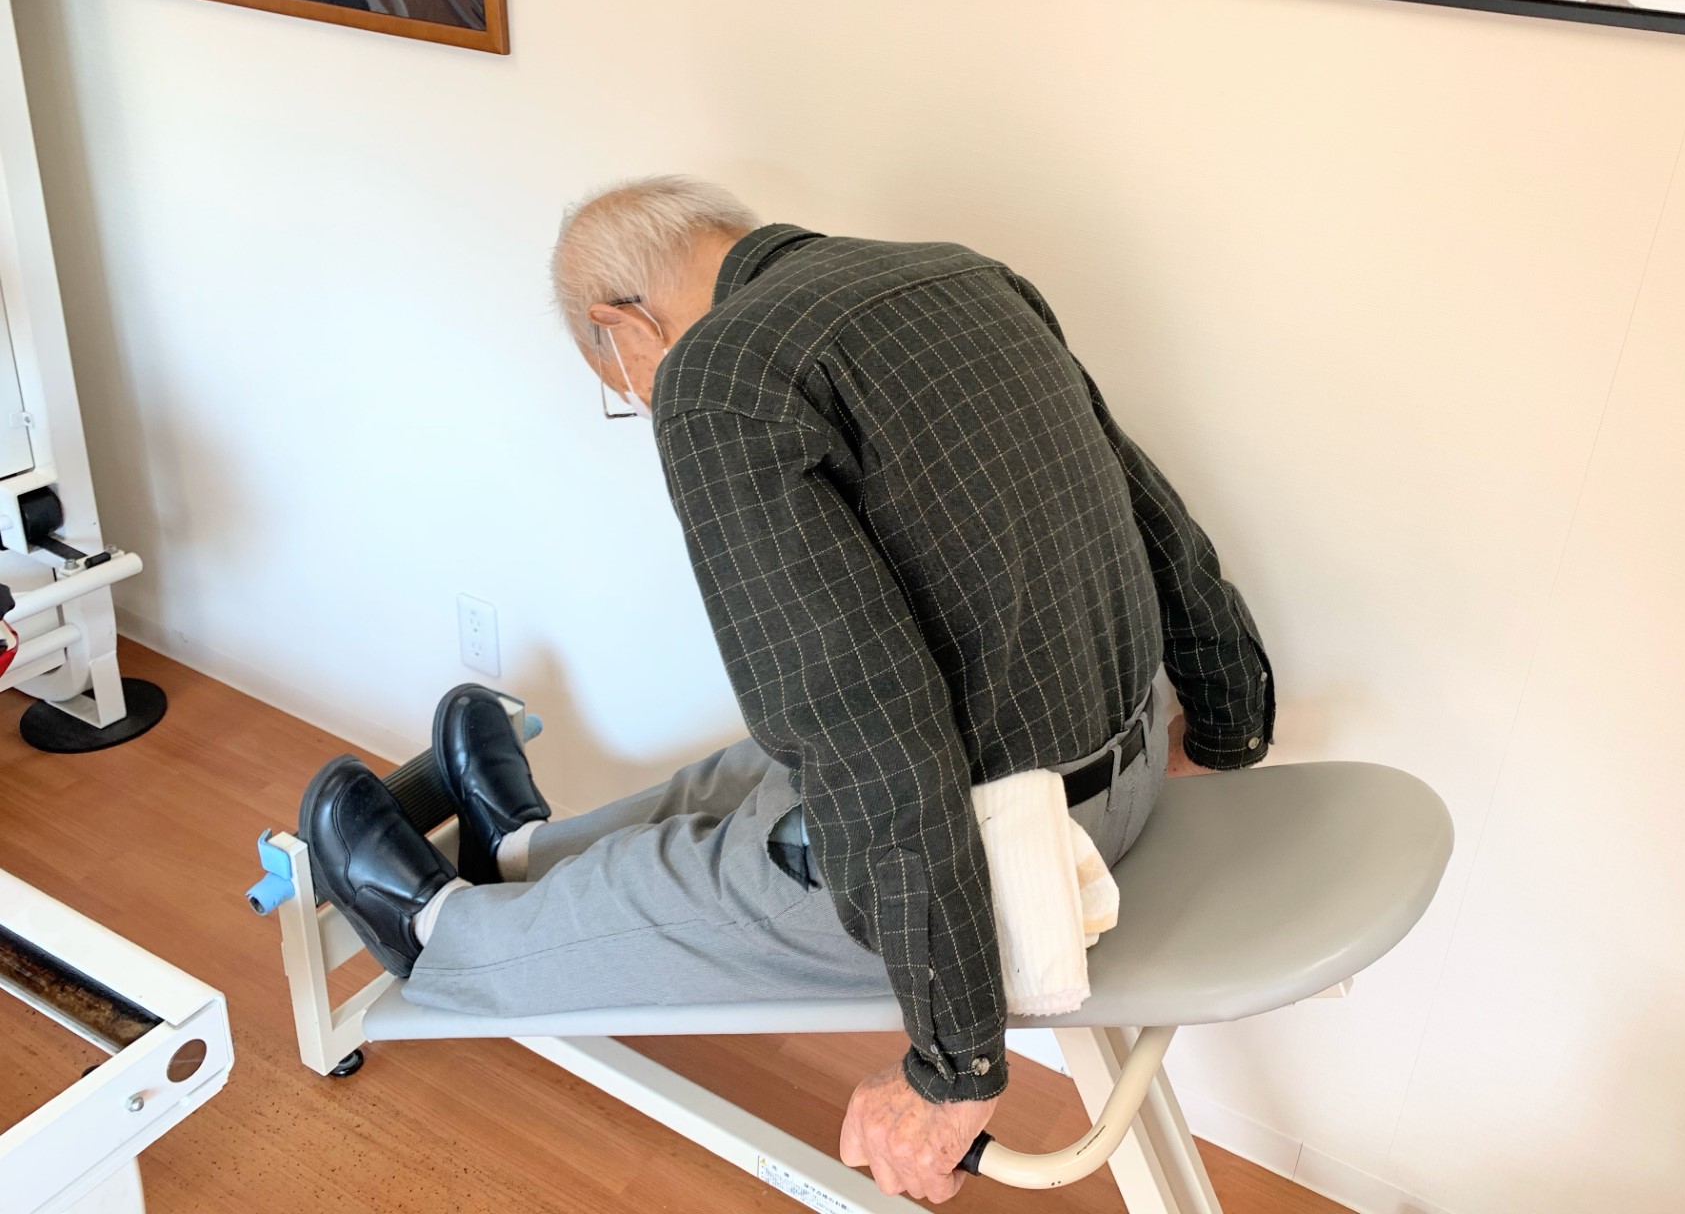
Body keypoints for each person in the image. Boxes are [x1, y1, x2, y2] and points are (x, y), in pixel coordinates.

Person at [300, 177, 1274, 1204]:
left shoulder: (717, 376)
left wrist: (956, 1067)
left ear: (622, 328)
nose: (642, 401)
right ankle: (519, 852)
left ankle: (439, 934)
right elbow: (1156, 519)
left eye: (621, 385)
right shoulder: (964, 277)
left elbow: (860, 720)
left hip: (1010, 864)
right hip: (1119, 778)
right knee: (745, 772)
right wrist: (1225, 723)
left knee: (685, 874)